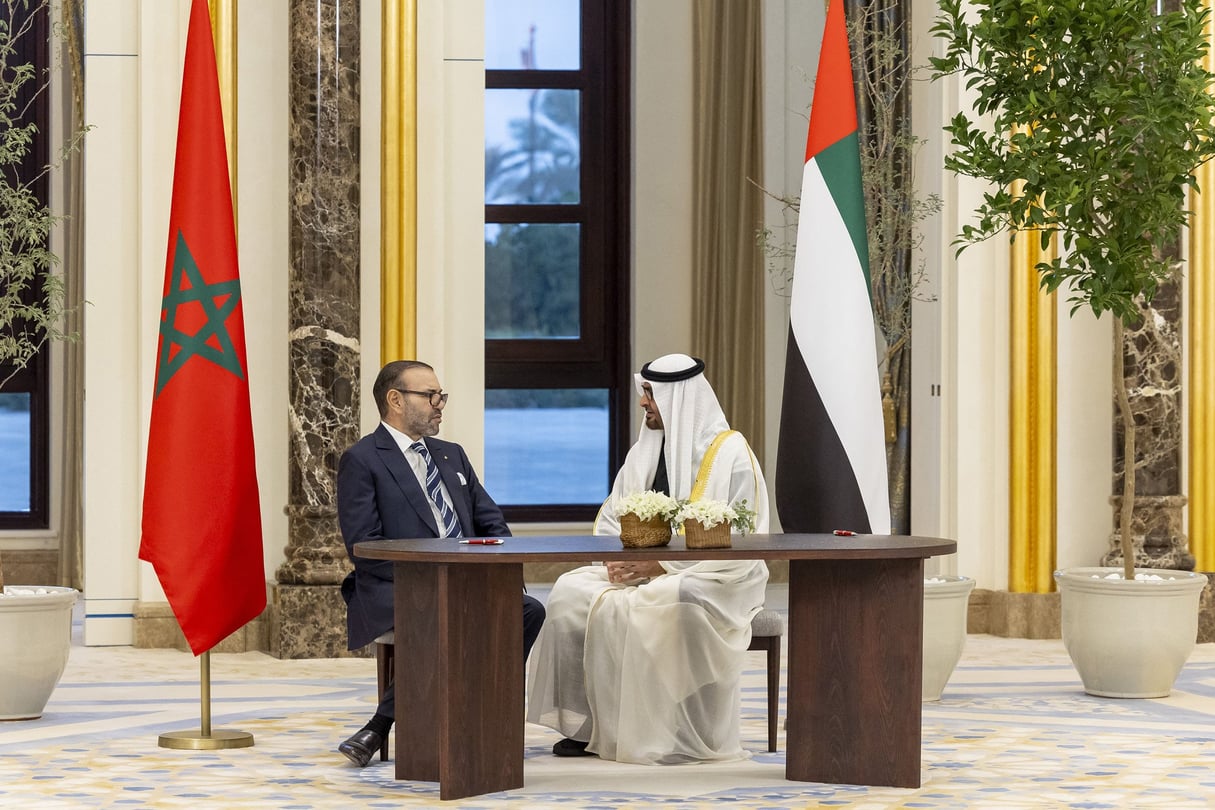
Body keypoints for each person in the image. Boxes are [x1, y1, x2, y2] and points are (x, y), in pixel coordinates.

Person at [526, 353, 770, 765]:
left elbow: (746, 532)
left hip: (716, 575)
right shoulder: (643, 452)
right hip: (636, 570)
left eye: (651, 395)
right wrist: (613, 562)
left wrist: (663, 566)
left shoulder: (731, 453)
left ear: (680, 399)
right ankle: (589, 728)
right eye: (644, 393)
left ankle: (667, 729)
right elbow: (611, 519)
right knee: (569, 592)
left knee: (668, 596)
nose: (644, 403)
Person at [336, 360, 545, 767]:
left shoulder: (451, 455)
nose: (439, 404)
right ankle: (384, 724)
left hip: (465, 582)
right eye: (429, 395)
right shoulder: (363, 460)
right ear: (395, 400)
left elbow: (490, 519)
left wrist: (501, 566)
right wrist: (430, 579)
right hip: (398, 585)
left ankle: (476, 713)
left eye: (441, 395)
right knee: (443, 610)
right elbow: (364, 544)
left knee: (528, 611)